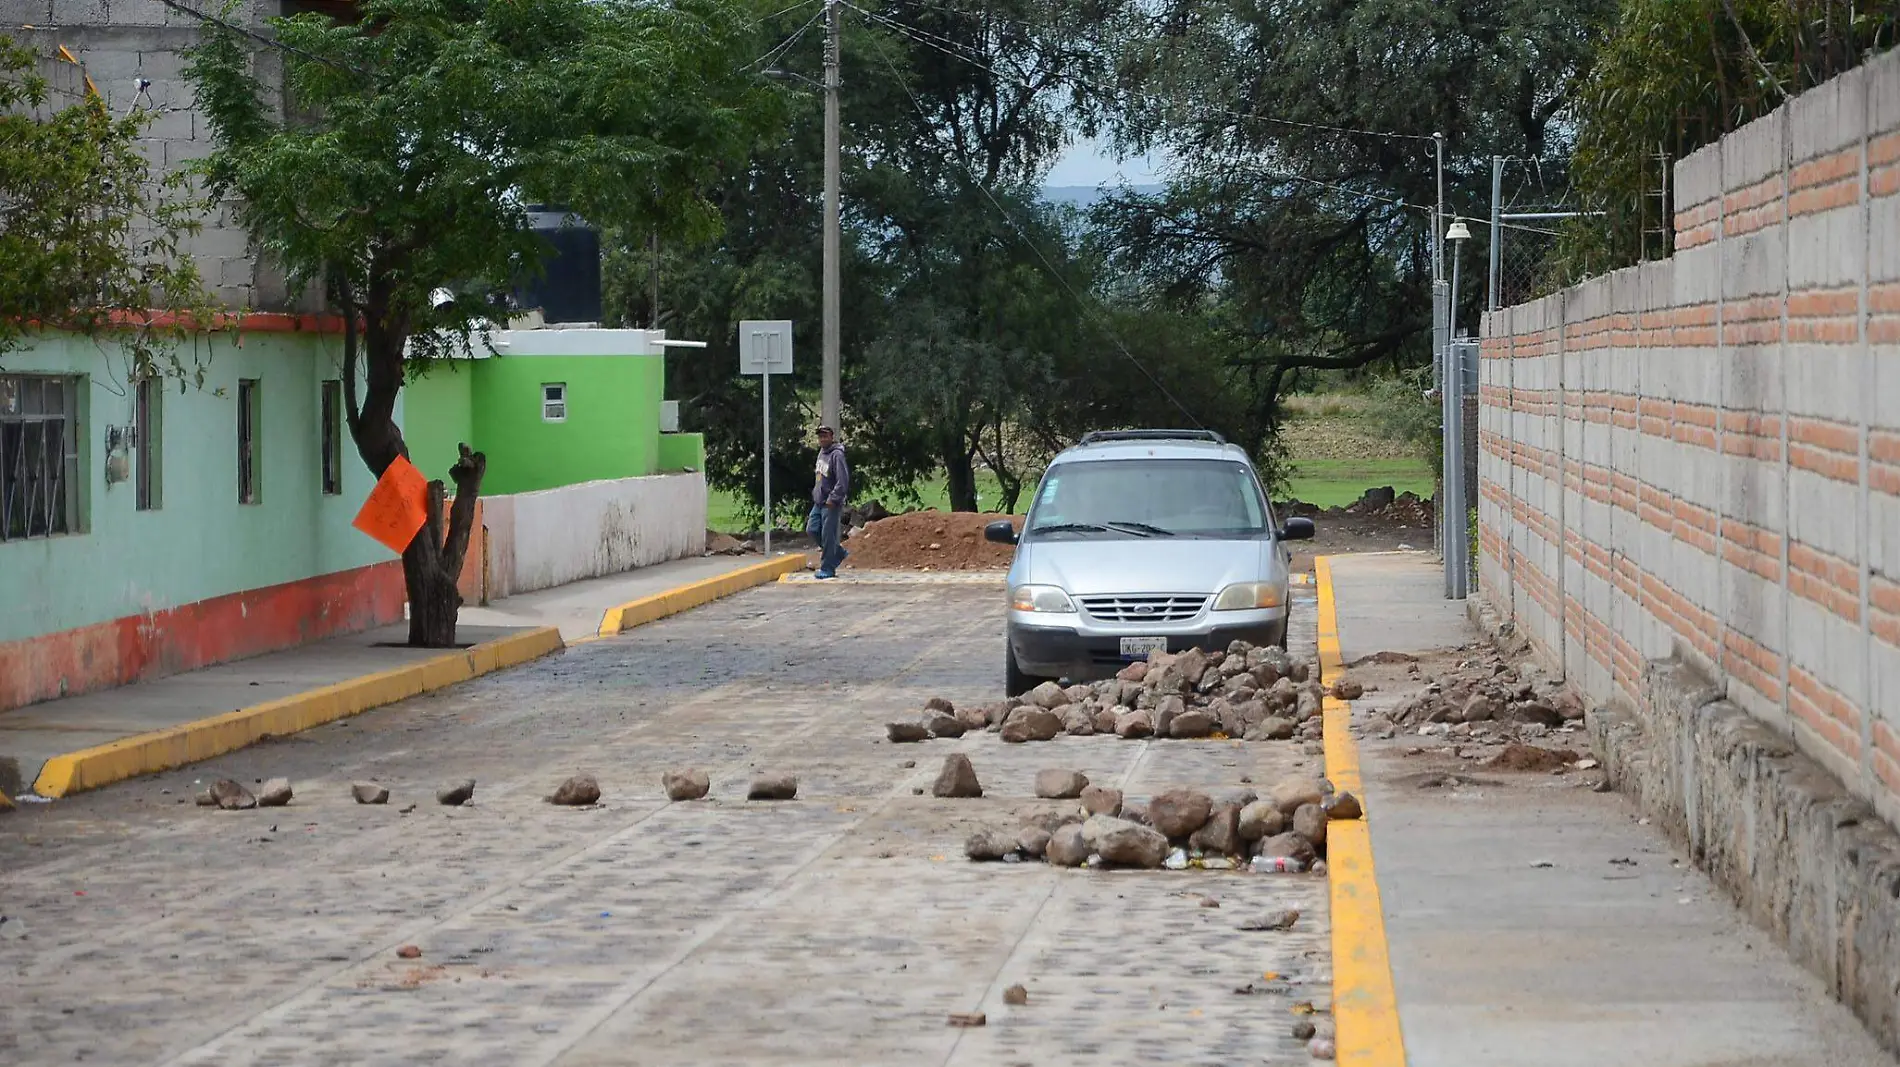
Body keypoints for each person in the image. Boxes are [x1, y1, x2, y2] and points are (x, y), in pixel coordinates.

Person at [807, 424, 850, 579]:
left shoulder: (836, 455)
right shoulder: (822, 453)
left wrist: (834, 498)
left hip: (830, 502)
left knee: (828, 535)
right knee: (812, 529)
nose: (823, 439)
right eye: (820, 436)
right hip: (818, 501)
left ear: (832, 437)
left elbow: (843, 480)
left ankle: (828, 568)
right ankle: (838, 552)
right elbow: (819, 476)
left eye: (825, 436)